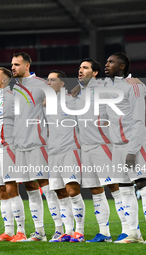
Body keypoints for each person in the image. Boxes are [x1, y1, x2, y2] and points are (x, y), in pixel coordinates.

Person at [11, 52, 62, 242]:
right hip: (20, 145)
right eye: (12, 64)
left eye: (16, 64)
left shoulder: (41, 84)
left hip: (37, 143)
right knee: (30, 188)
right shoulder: (15, 87)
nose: (13, 67)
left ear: (26, 66)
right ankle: (39, 231)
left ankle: (59, 229)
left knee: (46, 187)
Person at [75, 59, 127, 243]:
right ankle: (104, 233)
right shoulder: (80, 93)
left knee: (114, 186)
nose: (80, 70)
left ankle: (128, 230)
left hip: (103, 145)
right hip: (86, 148)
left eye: (85, 68)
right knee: (96, 190)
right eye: (80, 67)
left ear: (95, 73)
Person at [104, 53, 146, 244]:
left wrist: (133, 149)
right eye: (107, 62)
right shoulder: (108, 86)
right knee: (124, 189)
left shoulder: (134, 86)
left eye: (111, 62)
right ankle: (133, 233)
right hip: (117, 146)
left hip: (134, 143)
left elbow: (139, 119)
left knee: (143, 185)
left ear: (122, 66)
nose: (106, 64)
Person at [46, 70, 85, 242]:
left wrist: (80, 86)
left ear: (62, 84)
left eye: (52, 80)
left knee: (72, 190)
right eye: (47, 80)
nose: (48, 83)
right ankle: (68, 232)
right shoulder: (46, 104)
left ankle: (80, 231)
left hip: (70, 149)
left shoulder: (73, 101)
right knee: (60, 193)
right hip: (52, 153)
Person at [0, 67, 26, 242]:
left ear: (4, 81)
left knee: (11, 188)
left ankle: (21, 231)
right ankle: (8, 231)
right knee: (1, 190)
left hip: (9, 147)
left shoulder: (12, 97)